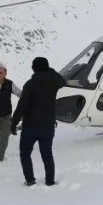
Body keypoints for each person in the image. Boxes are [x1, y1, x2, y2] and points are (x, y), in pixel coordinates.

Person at [10, 56, 67, 186]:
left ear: (33, 68)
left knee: (25, 154)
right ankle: (50, 181)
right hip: (47, 127)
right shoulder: (53, 83)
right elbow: (62, 81)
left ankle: (30, 180)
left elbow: (22, 106)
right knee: (47, 154)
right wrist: (50, 70)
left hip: (30, 127)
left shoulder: (29, 84)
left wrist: (14, 123)